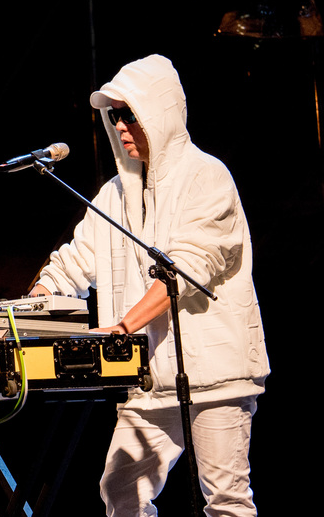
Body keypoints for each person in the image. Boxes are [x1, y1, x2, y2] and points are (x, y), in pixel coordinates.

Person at [30, 54, 268, 516]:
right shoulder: (113, 196)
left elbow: (187, 269)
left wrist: (122, 327)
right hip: (145, 381)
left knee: (225, 500)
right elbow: (71, 265)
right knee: (121, 492)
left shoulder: (208, 176)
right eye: (114, 116)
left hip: (215, 376)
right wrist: (27, 310)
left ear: (160, 114)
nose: (120, 125)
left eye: (130, 114)